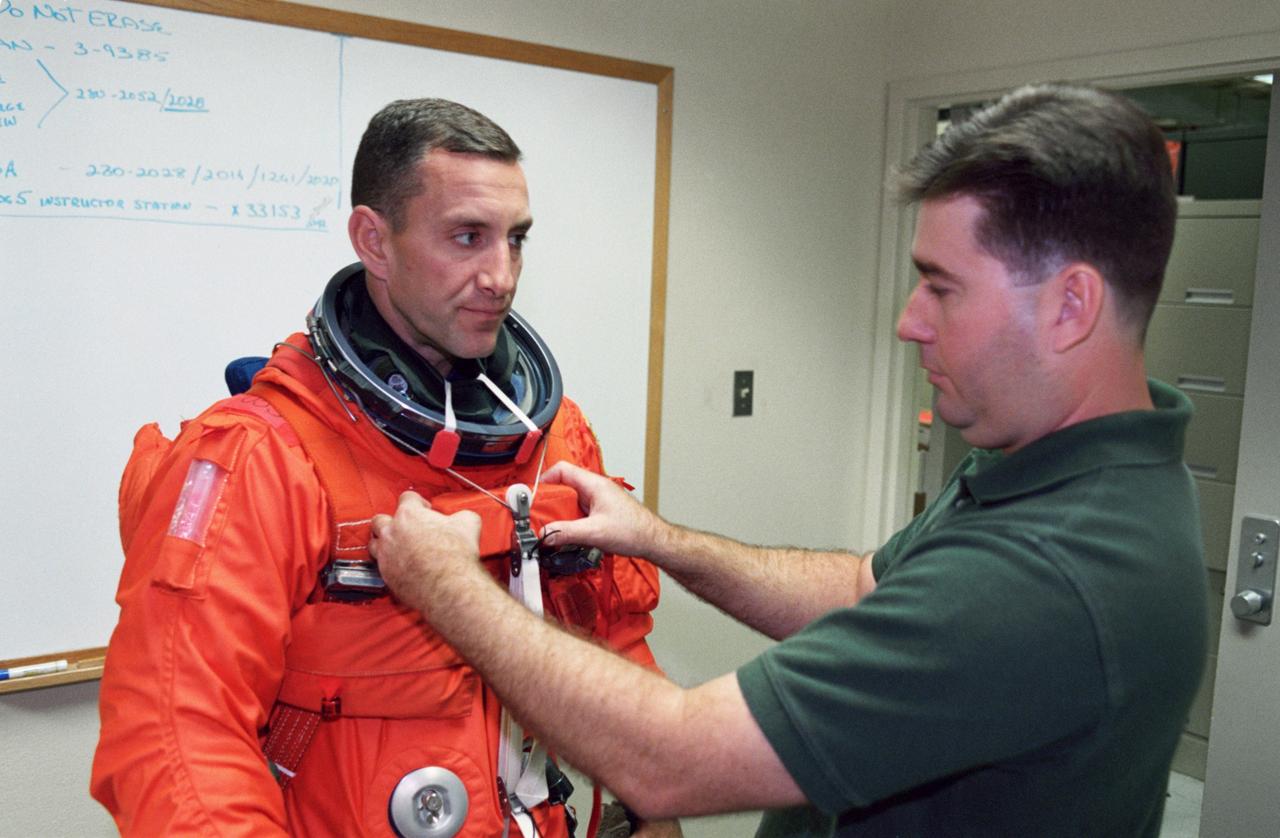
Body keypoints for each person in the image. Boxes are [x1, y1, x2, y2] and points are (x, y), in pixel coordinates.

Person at [366, 83, 1209, 836]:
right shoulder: (1053, 458)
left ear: (1071, 306)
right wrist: (662, 539)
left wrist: (445, 584)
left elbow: (671, 757)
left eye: (942, 287)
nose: (909, 321)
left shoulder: (1048, 574)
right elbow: (859, 592)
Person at [92, 98, 679, 837]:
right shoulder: (262, 456)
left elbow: (613, 635)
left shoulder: (556, 437)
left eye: (516, 240)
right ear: (374, 239)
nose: (502, 276)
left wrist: (654, 801)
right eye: (467, 237)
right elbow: (178, 736)